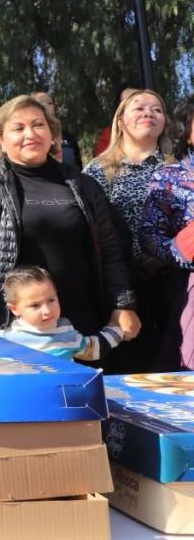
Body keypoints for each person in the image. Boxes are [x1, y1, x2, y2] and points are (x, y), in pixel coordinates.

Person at [0, 95, 139, 344]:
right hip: (18, 327)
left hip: (83, 320)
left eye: (38, 125)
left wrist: (123, 305)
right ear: (1, 140)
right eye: (18, 128)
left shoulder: (82, 184)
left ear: (52, 133)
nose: (30, 134)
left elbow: (109, 249)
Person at [85, 90, 171, 372]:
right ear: (120, 121)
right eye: (139, 108)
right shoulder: (96, 171)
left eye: (157, 109)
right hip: (117, 287)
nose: (149, 113)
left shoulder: (179, 167)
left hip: (171, 282)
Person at [139, 95, 194, 370]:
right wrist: (182, 252)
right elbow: (149, 235)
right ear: (188, 131)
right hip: (188, 287)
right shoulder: (170, 177)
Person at [0, 266, 124, 362]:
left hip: (61, 395)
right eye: (35, 305)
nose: (47, 311)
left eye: (51, 300)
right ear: (14, 309)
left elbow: (92, 349)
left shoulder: (66, 331)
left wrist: (117, 330)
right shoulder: (4, 338)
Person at [32, 92, 82, 170]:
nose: (46, 106)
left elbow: (78, 165)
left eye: (49, 103)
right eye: (41, 103)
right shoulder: (31, 137)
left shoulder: (67, 136)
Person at [94, 85, 140, 158]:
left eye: (138, 100)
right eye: (129, 101)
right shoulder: (109, 135)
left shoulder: (156, 131)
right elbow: (104, 165)